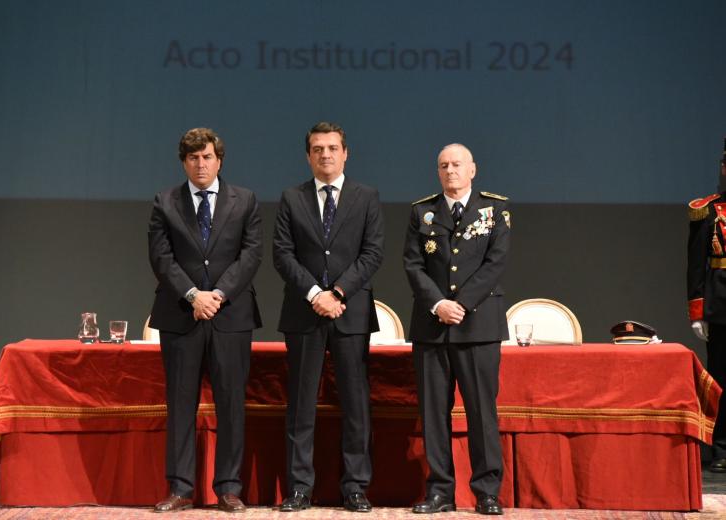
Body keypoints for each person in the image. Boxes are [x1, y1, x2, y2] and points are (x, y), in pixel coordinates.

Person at [148, 127, 262, 513]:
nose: (201, 164)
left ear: (220, 160)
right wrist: (194, 295)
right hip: (182, 314)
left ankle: (229, 487)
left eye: (207, 157)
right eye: (193, 157)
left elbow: (250, 255)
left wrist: (218, 295)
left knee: (232, 404)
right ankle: (180, 488)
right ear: (184, 161)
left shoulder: (244, 200)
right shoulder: (165, 202)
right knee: (181, 404)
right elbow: (161, 258)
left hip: (231, 315)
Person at [272, 122, 384, 512]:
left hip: (350, 313)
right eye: (317, 149)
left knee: (356, 404)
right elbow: (282, 254)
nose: (325, 154)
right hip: (304, 313)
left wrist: (337, 292)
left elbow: (372, 253)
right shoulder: (291, 197)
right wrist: (315, 294)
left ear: (346, 153)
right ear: (308, 156)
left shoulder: (366, 197)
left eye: (333, 148)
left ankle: (355, 486)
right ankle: (300, 488)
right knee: (301, 405)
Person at [403, 144, 509, 515]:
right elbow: (413, 265)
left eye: (457, 165)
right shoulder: (422, 211)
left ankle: (487, 491)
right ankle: (439, 491)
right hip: (432, 327)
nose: (450, 171)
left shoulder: (496, 209)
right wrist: (438, 304)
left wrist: (461, 305)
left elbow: (495, 263)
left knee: (482, 412)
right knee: (434, 413)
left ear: (473, 170)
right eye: (443, 165)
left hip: (478, 326)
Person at [687, 137, 726, 472]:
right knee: (721, 377)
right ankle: (721, 447)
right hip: (722, 305)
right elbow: (697, 264)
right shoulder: (709, 210)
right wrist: (698, 313)